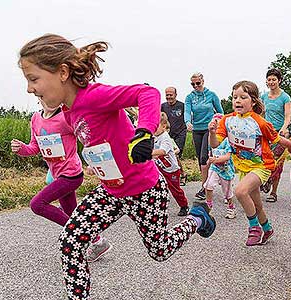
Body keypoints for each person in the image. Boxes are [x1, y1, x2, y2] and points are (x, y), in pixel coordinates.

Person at [18, 34, 216, 300]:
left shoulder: (94, 96)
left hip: (144, 190)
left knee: (160, 250)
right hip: (110, 192)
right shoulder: (68, 111)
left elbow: (146, 93)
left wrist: (144, 132)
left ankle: (197, 218)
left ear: (62, 72)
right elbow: (97, 141)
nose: (30, 88)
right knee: (70, 242)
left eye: (33, 79)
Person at [11, 99, 110, 262]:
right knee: (72, 214)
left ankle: (78, 235)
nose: (49, 99)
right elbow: (34, 147)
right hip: (57, 174)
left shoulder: (66, 117)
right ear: (39, 97)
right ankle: (98, 242)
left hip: (71, 174)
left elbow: (88, 139)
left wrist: (95, 162)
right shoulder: (36, 118)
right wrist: (22, 149)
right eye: (44, 95)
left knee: (37, 204)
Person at [209, 80, 291, 246]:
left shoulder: (260, 122)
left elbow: (277, 139)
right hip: (242, 167)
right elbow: (215, 144)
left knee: (240, 191)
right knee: (256, 204)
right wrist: (212, 132)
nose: (238, 101)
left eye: (243, 97)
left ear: (253, 101)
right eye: (235, 97)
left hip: (261, 166)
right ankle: (267, 228)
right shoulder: (227, 120)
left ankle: (254, 228)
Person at [184, 72, 224, 200]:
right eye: (193, 84)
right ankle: (208, 182)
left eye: (198, 83)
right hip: (197, 129)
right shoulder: (190, 97)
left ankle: (204, 187)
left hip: (209, 129)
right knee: (201, 159)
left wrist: (217, 123)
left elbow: (220, 112)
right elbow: (187, 110)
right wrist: (188, 122)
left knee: (204, 157)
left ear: (203, 81)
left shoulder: (211, 95)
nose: (195, 86)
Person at [260, 68, 291, 202]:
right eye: (269, 80)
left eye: (274, 79)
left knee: (277, 163)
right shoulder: (263, 97)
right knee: (264, 160)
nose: (271, 82)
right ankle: (266, 179)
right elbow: (260, 114)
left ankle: (273, 192)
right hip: (266, 132)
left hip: (280, 133)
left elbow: (287, 116)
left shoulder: (285, 97)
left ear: (279, 81)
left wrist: (284, 128)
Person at [152, 112, 189, 216]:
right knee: (156, 188)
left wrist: (148, 153)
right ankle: (158, 207)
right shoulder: (153, 136)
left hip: (171, 170)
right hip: (159, 168)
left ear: (164, 126)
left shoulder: (165, 138)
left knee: (175, 190)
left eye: (155, 126)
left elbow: (162, 151)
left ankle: (184, 206)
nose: (153, 128)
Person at [205, 113, 237, 219]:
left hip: (226, 170)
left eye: (218, 122)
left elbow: (228, 156)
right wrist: (210, 161)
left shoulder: (228, 140)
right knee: (208, 184)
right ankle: (208, 206)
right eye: (214, 121)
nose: (215, 123)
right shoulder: (212, 137)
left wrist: (216, 160)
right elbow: (212, 150)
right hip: (215, 168)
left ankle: (231, 207)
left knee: (227, 193)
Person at [161, 87, 188, 184]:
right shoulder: (163, 106)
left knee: (176, 154)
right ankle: (181, 174)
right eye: (167, 95)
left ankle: (180, 175)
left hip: (180, 133)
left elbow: (188, 116)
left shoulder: (182, 106)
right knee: (171, 156)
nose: (169, 97)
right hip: (168, 134)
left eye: (170, 95)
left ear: (175, 95)